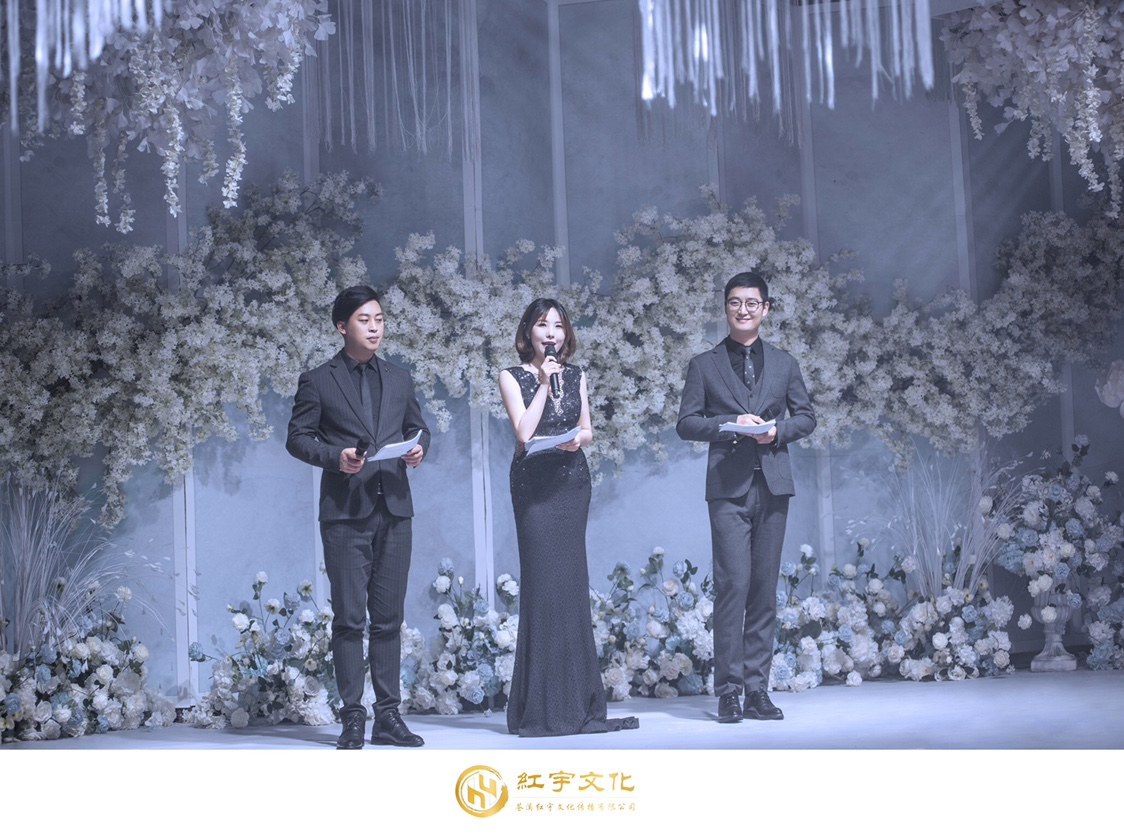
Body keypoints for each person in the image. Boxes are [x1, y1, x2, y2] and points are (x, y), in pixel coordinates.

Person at [286, 285, 430, 749]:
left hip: (395, 510)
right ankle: (353, 717)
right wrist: (336, 457)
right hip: (346, 513)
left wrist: (419, 448)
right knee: (349, 619)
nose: (374, 327)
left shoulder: (400, 377)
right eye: (365, 320)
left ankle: (388, 716)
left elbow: (417, 427)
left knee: (389, 619)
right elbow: (297, 438)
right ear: (341, 326)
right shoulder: (318, 380)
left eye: (379, 319)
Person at [676, 271, 816, 723]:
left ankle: (758, 690)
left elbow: (807, 417)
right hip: (727, 488)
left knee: (763, 590)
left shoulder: (785, 363)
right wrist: (729, 424)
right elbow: (686, 423)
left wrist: (777, 432)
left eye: (752, 303)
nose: (743, 310)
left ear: (765, 309)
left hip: (774, 484)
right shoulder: (704, 364)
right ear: (726, 308)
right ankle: (729, 692)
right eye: (735, 302)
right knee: (732, 586)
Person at [499, 298, 637, 736]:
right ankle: (539, 707)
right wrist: (543, 383)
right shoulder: (511, 376)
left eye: (558, 326)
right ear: (529, 331)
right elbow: (524, 432)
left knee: (572, 587)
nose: (551, 333)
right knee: (544, 589)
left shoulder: (576, 375)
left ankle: (577, 702)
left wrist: (579, 439)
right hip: (534, 487)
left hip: (571, 482)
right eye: (543, 325)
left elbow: (588, 428)